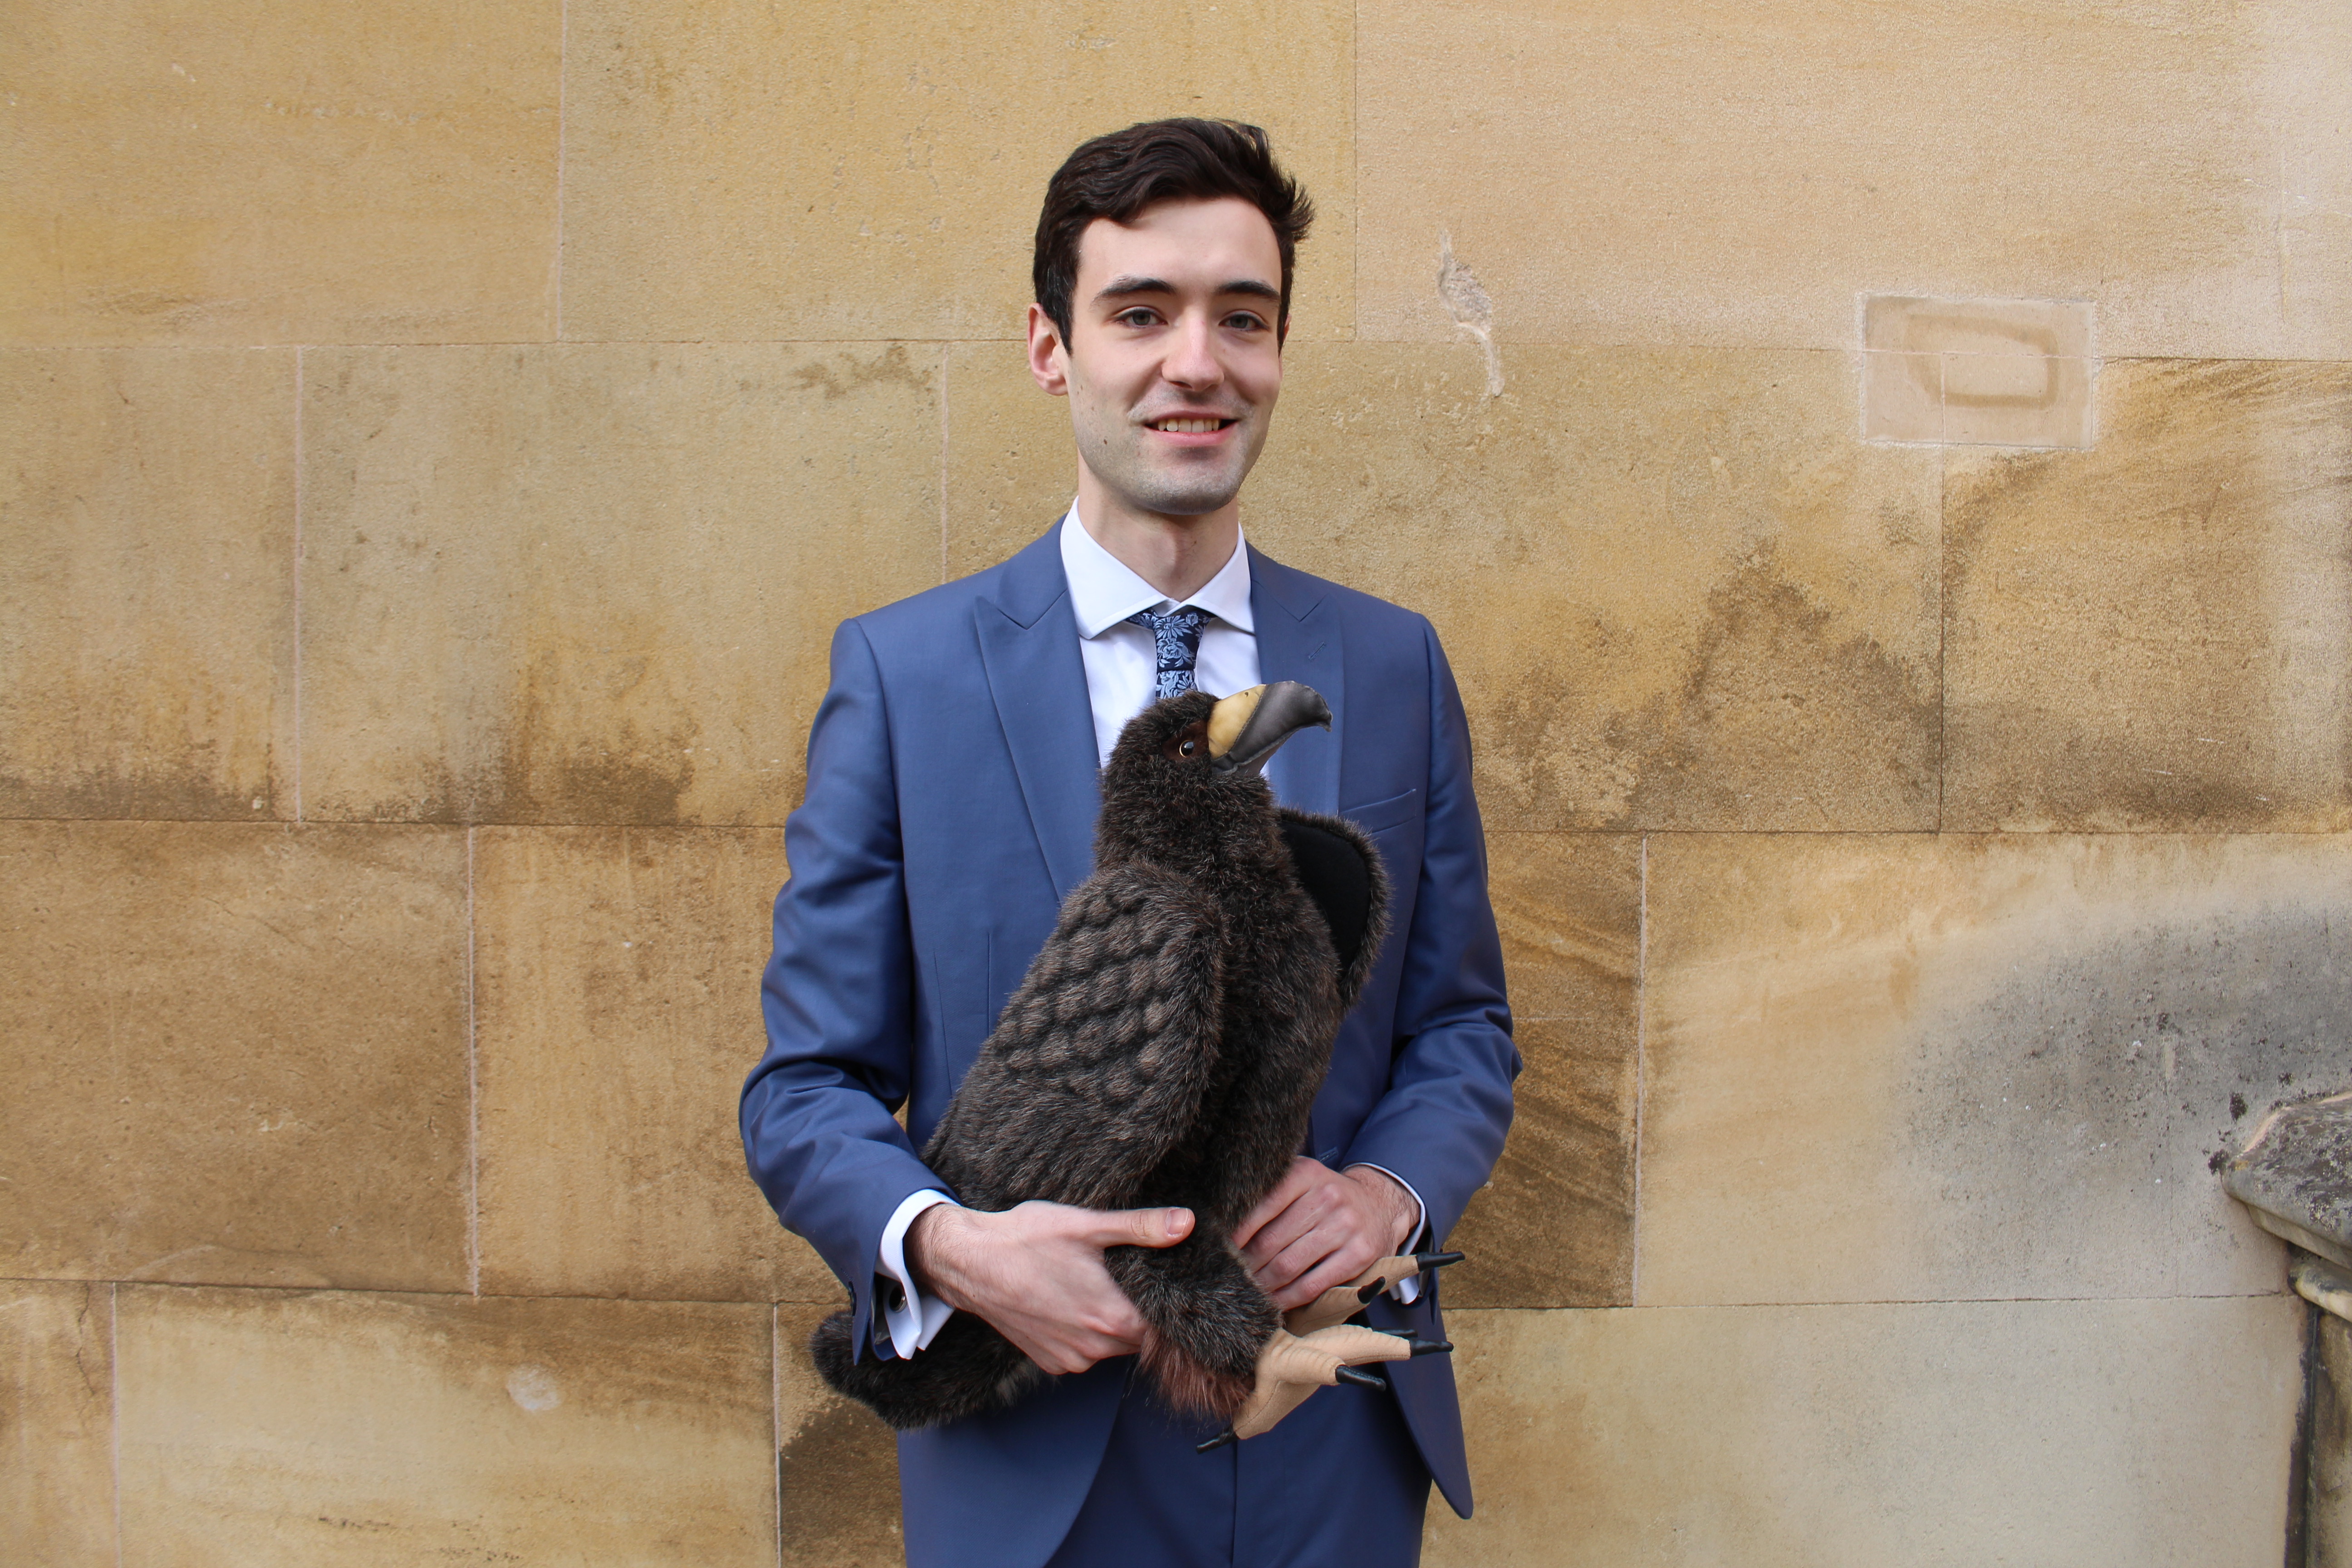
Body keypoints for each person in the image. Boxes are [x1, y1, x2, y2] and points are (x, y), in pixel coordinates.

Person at [740, 118, 1517, 1568]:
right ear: (1052, 346)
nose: (1196, 363)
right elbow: (807, 1088)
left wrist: (1384, 1192)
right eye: (1141, 314)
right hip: (1038, 1447)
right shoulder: (905, 679)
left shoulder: (1394, 665)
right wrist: (956, 1253)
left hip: (1333, 1445)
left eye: (1244, 317)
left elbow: (1462, 1027)